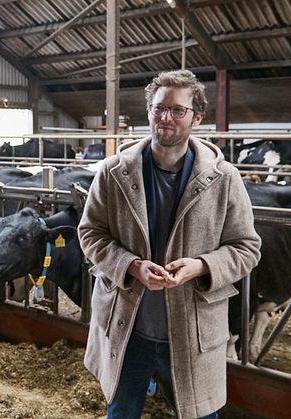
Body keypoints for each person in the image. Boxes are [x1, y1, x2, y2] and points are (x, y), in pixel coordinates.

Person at [77, 69, 261, 419]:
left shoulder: (224, 179)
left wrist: (202, 266)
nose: (166, 118)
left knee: (200, 415)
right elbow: (90, 233)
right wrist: (131, 266)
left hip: (192, 333)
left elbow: (247, 248)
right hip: (127, 329)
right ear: (148, 111)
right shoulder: (113, 171)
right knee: (120, 413)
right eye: (159, 108)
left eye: (178, 110)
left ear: (197, 117)